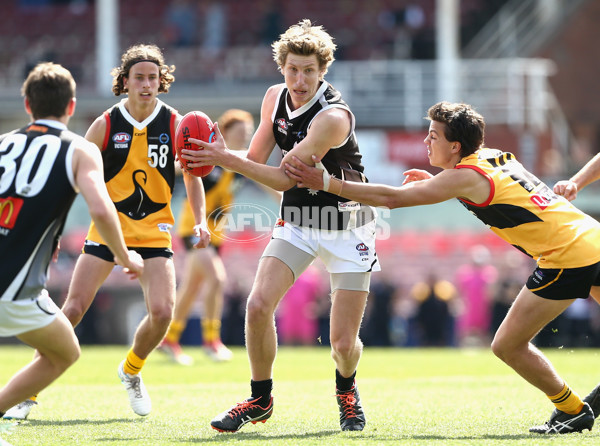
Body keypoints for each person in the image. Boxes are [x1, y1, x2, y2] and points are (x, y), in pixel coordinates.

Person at [284, 100, 600, 435]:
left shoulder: (463, 177)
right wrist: (440, 181)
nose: (426, 141)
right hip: (592, 236)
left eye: (433, 136)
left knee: (507, 345)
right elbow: (475, 185)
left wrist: (328, 184)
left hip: (567, 255)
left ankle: (572, 409)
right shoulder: (490, 155)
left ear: (455, 146)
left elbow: (393, 198)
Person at [181, 19, 379, 432]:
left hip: (348, 224)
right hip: (300, 220)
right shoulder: (274, 98)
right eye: (293, 69)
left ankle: (346, 389)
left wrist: (221, 157)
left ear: (323, 71)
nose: (300, 79)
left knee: (343, 344)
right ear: (281, 68)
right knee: (257, 305)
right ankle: (260, 398)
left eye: (309, 70)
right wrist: (209, 155)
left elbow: (285, 177)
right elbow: (255, 159)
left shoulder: (333, 117)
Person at [4, 44, 210, 420]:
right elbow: (72, 181)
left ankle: (131, 370)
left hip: (154, 231)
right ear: (125, 82)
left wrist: (200, 219)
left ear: (161, 82)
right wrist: (56, 234)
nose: (146, 85)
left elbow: (194, 174)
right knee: (74, 308)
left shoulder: (176, 123)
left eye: (152, 78)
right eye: (139, 78)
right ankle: (29, 392)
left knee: (163, 313)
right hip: (107, 230)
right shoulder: (104, 124)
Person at [0, 62, 143, 419]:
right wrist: (124, 255)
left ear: (28, 105)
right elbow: (101, 207)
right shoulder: (78, 149)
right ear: (72, 106)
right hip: (14, 289)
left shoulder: (3, 144)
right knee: (65, 353)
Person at [159, 108, 255, 364]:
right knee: (217, 279)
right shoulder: (208, 158)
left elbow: (269, 184)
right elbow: (182, 167)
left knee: (191, 288)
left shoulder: (240, 164)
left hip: (217, 235)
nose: (244, 137)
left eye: (247, 133)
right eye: (239, 132)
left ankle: (169, 339)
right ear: (223, 133)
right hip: (194, 229)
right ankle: (212, 341)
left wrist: (287, 202)